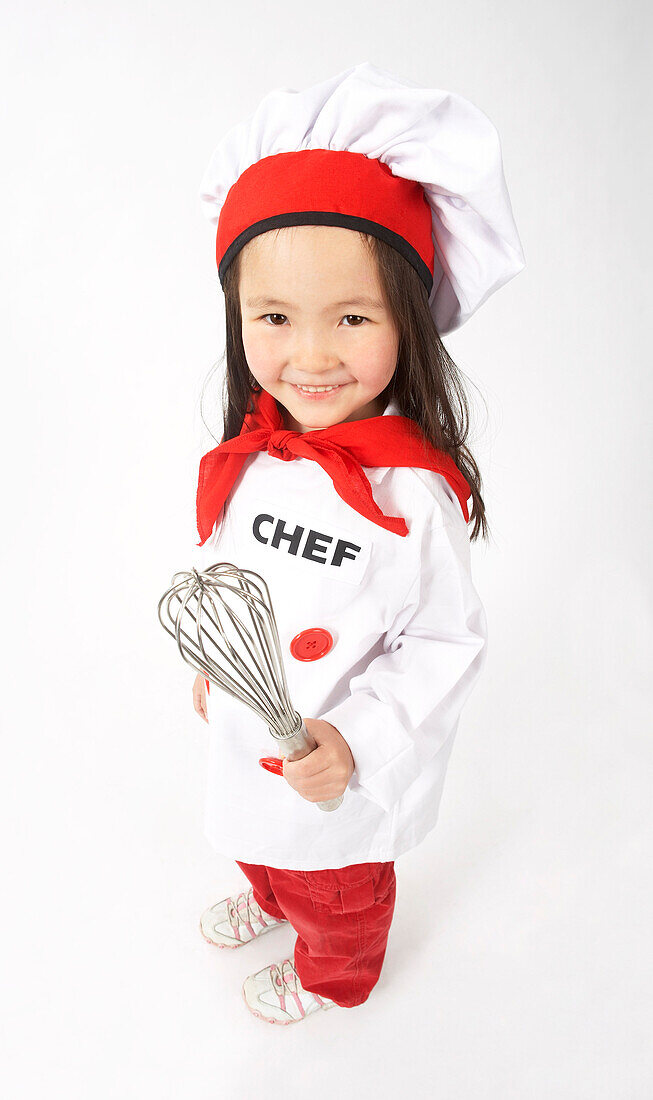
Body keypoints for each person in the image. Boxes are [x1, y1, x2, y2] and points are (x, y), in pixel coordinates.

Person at [186, 62, 525, 1024]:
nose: (313, 355)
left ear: (406, 320)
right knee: (256, 840)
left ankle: (336, 974)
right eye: (275, 318)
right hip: (249, 733)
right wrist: (220, 664)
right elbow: (232, 578)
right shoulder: (253, 451)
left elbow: (443, 643)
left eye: (351, 317)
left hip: (339, 766)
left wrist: (358, 738)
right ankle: (264, 895)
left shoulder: (410, 493)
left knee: (336, 895)